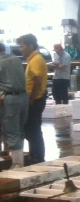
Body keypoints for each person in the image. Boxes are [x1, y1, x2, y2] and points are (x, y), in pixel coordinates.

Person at [18, 33, 48, 165]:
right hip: (34, 99)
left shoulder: (36, 60)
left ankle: (38, 157)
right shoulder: (33, 59)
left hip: (36, 100)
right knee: (30, 129)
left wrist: (31, 99)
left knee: (33, 129)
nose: (20, 49)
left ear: (30, 46)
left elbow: (37, 80)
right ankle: (34, 155)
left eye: (22, 46)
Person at [0, 43, 29, 168]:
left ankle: (17, 164)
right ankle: (19, 161)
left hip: (10, 99)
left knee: (11, 131)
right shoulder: (16, 59)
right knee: (20, 130)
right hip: (23, 97)